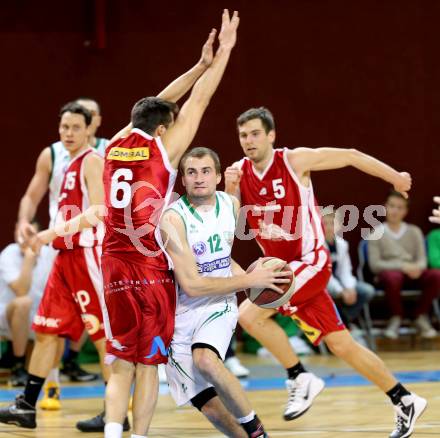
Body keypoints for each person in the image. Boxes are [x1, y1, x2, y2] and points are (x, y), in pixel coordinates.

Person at [225, 107, 427, 438]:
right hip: (285, 272)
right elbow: (232, 225)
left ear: (271, 135)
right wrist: (230, 191)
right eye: (243, 135)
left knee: (248, 316)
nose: (248, 141)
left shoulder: (294, 161)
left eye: (255, 133)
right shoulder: (239, 173)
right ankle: (403, 399)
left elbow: (349, 155)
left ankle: (299, 375)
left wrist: (393, 177)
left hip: (310, 262)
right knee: (341, 344)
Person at [101, 11, 240, 438]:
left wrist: (196, 64)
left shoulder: (114, 144)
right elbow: (197, 100)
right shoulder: (166, 148)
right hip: (148, 266)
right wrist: (222, 56)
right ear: (163, 129)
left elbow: (159, 104)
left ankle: (111, 433)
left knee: (121, 361)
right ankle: (138, 437)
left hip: (111, 261)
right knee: (148, 364)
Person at [161, 147, 290, 437]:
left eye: (206, 171)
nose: (199, 178)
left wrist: (259, 281)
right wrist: (250, 281)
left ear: (217, 176)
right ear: (182, 179)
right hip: (181, 310)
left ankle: (258, 433)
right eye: (191, 172)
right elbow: (192, 285)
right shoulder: (173, 218)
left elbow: (223, 259)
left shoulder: (230, 205)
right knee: (207, 405)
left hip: (219, 303)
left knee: (205, 360)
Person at [0, 102, 113, 430]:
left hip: (86, 256)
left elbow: (99, 211)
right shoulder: (64, 161)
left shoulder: (92, 161)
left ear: (90, 129)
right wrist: (31, 225)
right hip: (63, 259)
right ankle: (26, 405)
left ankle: (114, 409)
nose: (68, 133)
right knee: (47, 331)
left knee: (102, 335)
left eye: (76, 127)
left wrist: (52, 231)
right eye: (64, 127)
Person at [368, 191, 440, 339]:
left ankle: (420, 315)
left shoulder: (414, 231)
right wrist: (402, 266)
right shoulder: (376, 232)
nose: (395, 211)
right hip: (390, 276)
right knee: (393, 277)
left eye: (400, 207)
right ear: (385, 207)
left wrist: (418, 267)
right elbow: (375, 265)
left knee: (436, 275)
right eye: (392, 206)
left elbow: (422, 260)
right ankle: (396, 317)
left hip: (413, 274)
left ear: (405, 211)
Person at [0, 221, 54, 387]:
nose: (24, 237)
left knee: (80, 303)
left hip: (38, 319)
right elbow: (22, 291)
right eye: (21, 232)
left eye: (30, 234)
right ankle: (18, 364)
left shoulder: (49, 254)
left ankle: (69, 364)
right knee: (23, 302)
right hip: (7, 318)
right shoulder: (9, 253)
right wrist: (29, 258)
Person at [322, 211, 375, 330]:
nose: (329, 227)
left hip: (340, 283)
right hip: (323, 285)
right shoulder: (316, 245)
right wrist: (341, 291)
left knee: (367, 291)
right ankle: (336, 324)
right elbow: (325, 275)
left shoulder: (342, 244)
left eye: (332, 223)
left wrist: (350, 288)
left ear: (339, 225)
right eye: (325, 223)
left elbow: (345, 270)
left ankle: (344, 320)